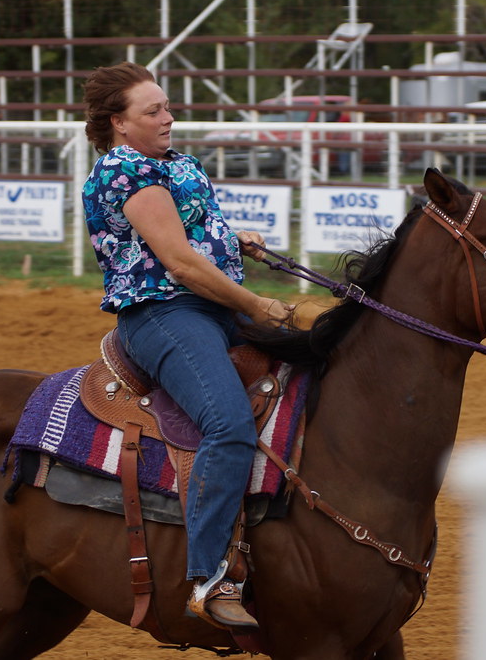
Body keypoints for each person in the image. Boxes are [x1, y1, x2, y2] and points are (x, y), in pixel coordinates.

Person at [80, 62, 293, 632]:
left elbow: (191, 236)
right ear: (119, 123)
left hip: (210, 307)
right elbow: (175, 261)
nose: (168, 116)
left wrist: (231, 238)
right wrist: (255, 306)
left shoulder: (173, 164)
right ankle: (209, 578)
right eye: (153, 111)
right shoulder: (123, 171)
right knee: (227, 424)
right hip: (165, 316)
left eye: (167, 106)